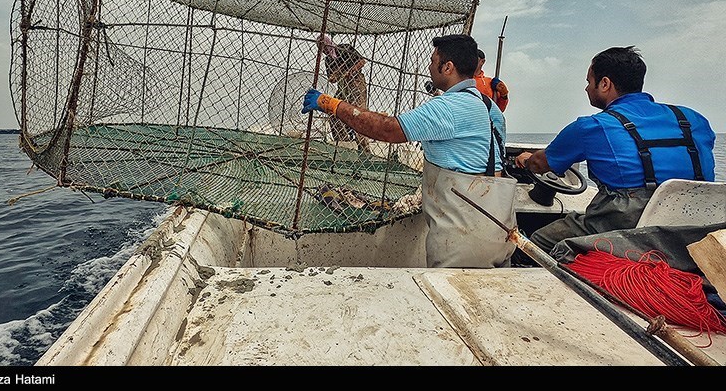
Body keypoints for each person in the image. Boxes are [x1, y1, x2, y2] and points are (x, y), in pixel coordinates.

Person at [302, 33, 517, 268]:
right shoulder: (491, 109)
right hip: (501, 229)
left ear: (447, 67)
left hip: (465, 237)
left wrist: (331, 104)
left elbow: (387, 130)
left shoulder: (447, 108)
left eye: (433, 60)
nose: (429, 66)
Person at [515, 46, 716, 255]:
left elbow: (541, 164)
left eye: (588, 82)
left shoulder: (592, 127)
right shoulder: (693, 119)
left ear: (604, 83)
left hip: (626, 231)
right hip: (692, 234)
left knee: (537, 241)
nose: (586, 88)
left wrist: (526, 160)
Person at [316, 35, 370, 152]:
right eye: (322, 49)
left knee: (358, 114)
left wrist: (350, 71)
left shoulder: (344, 48)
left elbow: (362, 61)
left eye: (325, 47)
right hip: (342, 86)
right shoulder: (328, 60)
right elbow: (331, 78)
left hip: (356, 83)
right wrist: (336, 75)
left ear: (329, 43)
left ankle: (364, 148)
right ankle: (344, 143)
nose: (324, 50)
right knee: (333, 111)